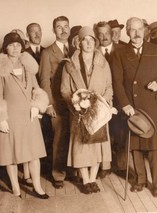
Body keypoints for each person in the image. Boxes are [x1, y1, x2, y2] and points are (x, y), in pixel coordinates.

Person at [111, 17, 157, 197]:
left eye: (139, 30)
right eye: (132, 30)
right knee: (135, 146)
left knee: (155, 147)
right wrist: (125, 105)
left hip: (153, 104)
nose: (136, 34)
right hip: (133, 107)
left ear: (145, 31)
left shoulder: (156, 50)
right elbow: (117, 83)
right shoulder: (119, 53)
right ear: (127, 32)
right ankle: (140, 180)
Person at [0, 32, 49, 199]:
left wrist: (37, 106)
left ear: (22, 47)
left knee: (34, 153)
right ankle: (16, 188)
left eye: (18, 45)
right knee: (10, 155)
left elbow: (36, 89)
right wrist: (0, 118)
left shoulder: (28, 67)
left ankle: (37, 187)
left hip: (29, 117)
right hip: (10, 118)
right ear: (5, 48)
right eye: (11, 45)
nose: (15, 48)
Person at [61, 26, 113, 193]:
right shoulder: (69, 65)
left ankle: (92, 179)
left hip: (98, 112)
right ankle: (85, 180)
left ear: (95, 43)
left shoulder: (103, 63)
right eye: (85, 40)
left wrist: (103, 103)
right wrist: (75, 104)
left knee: (98, 145)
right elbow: (64, 89)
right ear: (79, 42)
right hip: (79, 112)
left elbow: (109, 87)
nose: (89, 43)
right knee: (81, 146)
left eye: (92, 40)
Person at [39, 16, 74, 189]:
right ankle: (58, 174)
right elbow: (44, 80)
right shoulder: (47, 52)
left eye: (66, 26)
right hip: (57, 104)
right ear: (54, 30)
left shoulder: (75, 49)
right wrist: (48, 105)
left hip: (76, 103)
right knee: (60, 139)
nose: (63, 30)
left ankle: (74, 171)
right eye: (59, 27)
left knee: (76, 138)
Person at [95, 21, 126, 178]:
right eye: (100, 34)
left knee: (120, 133)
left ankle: (121, 167)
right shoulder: (93, 52)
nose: (104, 37)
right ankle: (104, 166)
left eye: (106, 33)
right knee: (103, 135)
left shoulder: (123, 49)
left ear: (112, 34)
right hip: (102, 101)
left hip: (120, 100)